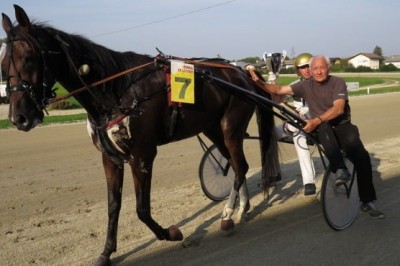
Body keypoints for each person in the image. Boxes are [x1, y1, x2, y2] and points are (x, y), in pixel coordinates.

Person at [248, 55, 384, 219]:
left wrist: (317, 119)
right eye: (315, 69)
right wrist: (258, 82)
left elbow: (339, 108)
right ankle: (340, 169)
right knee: (323, 128)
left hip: (342, 126)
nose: (319, 71)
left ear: (329, 69)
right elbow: (278, 90)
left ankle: (367, 201)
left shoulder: (337, 83)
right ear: (310, 72)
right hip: (322, 127)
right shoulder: (304, 85)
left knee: (362, 157)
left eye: (322, 68)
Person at [273, 53, 317, 196]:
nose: (306, 70)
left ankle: (309, 182)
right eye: (302, 67)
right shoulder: (295, 86)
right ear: (298, 70)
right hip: (296, 123)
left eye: (308, 66)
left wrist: (310, 109)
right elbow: (277, 99)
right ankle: (274, 173)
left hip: (316, 125)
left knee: (299, 137)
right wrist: (273, 81)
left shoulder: (321, 84)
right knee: (269, 134)